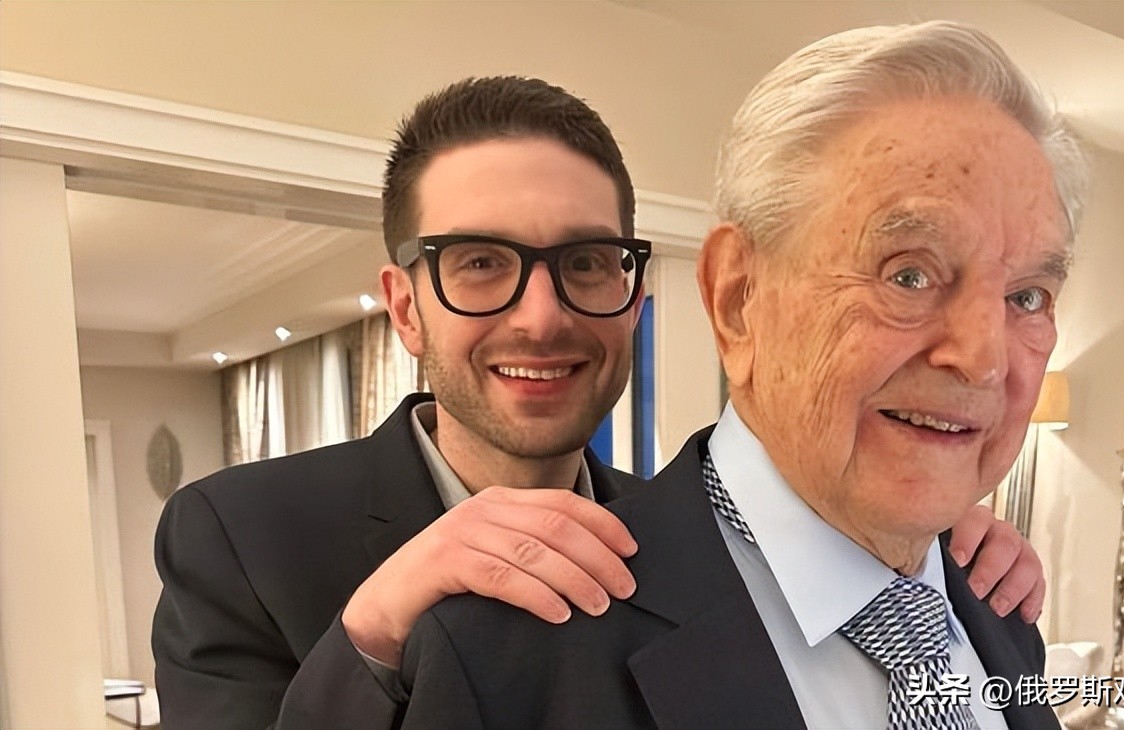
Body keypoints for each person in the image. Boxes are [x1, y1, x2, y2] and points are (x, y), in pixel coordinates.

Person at [153, 74, 1049, 730]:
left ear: (634, 294)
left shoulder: (680, 542)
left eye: (586, 263)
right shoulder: (242, 535)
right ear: (406, 308)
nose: (542, 318)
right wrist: (374, 638)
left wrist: (904, 532)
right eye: (481, 263)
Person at [395, 20, 1084, 730]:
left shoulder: (1002, 612)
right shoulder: (503, 660)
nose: (983, 359)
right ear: (738, 299)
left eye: (1027, 297)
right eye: (908, 275)